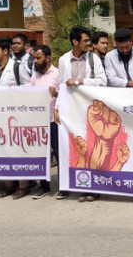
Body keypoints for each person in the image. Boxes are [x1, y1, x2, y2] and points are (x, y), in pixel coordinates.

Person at [55, 26, 107, 202]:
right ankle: (75, 185)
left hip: (90, 110)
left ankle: (93, 187)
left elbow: (102, 81)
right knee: (74, 147)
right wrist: (56, 108)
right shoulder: (63, 60)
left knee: (91, 147)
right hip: (71, 110)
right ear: (75, 42)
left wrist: (79, 81)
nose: (88, 44)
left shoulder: (93, 59)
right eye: (85, 41)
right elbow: (62, 85)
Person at [0, 37, 32, 199]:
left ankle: (23, 185)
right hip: (0, 116)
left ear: (5, 51)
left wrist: (16, 90)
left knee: (18, 149)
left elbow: (29, 87)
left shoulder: (16, 67)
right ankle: (8, 184)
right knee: (3, 149)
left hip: (16, 115)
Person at [29, 45, 59, 199]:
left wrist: (57, 93)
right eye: (34, 57)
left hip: (54, 120)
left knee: (59, 154)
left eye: (38, 57)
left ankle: (63, 186)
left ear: (47, 57)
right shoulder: (34, 76)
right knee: (41, 155)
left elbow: (66, 96)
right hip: (39, 121)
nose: (35, 60)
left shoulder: (57, 74)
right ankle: (44, 186)